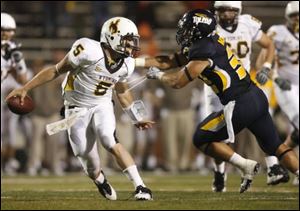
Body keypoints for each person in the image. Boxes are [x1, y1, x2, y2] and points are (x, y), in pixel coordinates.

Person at [143, 9, 299, 193]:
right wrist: (137, 63)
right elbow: (171, 60)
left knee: (200, 137)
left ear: (198, 30)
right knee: (276, 146)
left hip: (240, 104)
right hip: (256, 96)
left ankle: (245, 165)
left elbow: (178, 82)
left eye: (188, 29)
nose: (184, 32)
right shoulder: (209, 42)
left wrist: (159, 76)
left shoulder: (203, 51)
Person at [6, 17, 154, 201]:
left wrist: (136, 117)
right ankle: (99, 179)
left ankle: (141, 187)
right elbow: (55, 70)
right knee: (88, 161)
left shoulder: (126, 64)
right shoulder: (87, 50)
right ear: (113, 37)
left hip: (102, 104)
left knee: (109, 139)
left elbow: (123, 92)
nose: (131, 46)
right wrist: (25, 88)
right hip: (75, 108)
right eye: (127, 40)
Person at [207, 1, 289, 191]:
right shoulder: (210, 28)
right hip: (215, 87)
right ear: (216, 11)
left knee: (260, 124)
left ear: (238, 11)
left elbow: (269, 45)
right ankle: (220, 172)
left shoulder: (248, 24)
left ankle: (273, 166)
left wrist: (267, 67)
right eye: (222, 10)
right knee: (218, 136)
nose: (227, 14)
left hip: (242, 85)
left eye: (231, 10)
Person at [256, 1, 299, 185]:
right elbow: (262, 60)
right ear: (287, 17)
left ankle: (278, 164)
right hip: (285, 85)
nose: (298, 19)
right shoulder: (277, 32)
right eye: (295, 15)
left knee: (297, 132)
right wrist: (273, 75)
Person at [1, 12, 29, 174]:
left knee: (10, 133)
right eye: (2, 30)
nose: (5, 33)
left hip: (5, 95)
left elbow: (23, 79)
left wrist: (18, 64)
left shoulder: (13, 49)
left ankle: (8, 164)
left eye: (9, 30)